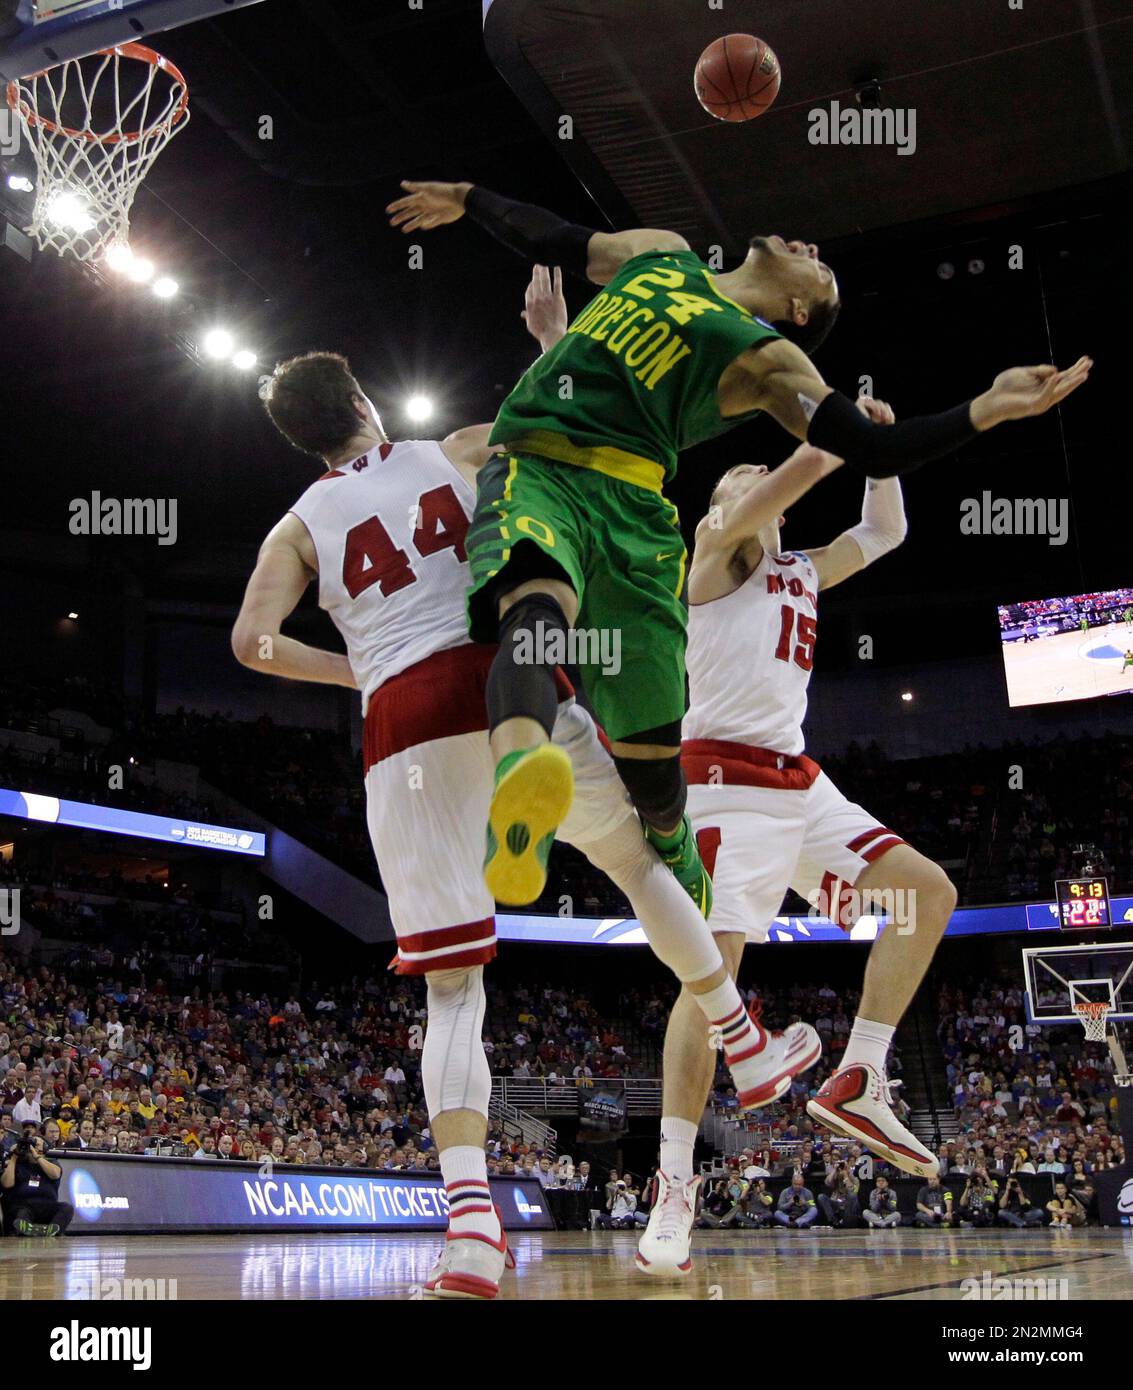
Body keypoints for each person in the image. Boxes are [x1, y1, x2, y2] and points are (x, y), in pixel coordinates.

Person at [235, 277, 790, 1298]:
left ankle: (471, 1235)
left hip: (398, 724)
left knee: (453, 986)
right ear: (361, 398)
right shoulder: (450, 446)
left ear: (301, 441)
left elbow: (251, 641)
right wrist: (553, 336)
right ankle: (737, 1031)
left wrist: (351, 667)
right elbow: (566, 420)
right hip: (497, 677)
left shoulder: (296, 527)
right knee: (629, 858)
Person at [386, 176, 1090, 926]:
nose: (813, 249)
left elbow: (872, 449)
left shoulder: (767, 363)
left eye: (822, 271)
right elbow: (558, 236)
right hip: (538, 465)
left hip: (633, 509)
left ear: (797, 311)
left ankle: (670, 837)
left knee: (653, 772)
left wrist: (986, 406)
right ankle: (522, 774)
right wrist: (470, 198)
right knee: (534, 603)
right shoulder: (662, 256)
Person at [636, 406, 961, 1273]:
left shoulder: (802, 569)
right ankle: (672, 1183)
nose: (747, 485)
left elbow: (883, 530)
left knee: (924, 894)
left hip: (797, 785)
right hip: (722, 789)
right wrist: (836, 437)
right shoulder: (713, 552)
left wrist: (880, 454)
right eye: (733, 479)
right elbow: (746, 505)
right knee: (713, 986)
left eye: (756, 478)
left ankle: (857, 1075)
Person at [1, 1126, 72, 1236]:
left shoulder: (51, 1162)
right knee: (20, 1213)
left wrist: (37, 1157)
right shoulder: (19, 1164)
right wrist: (14, 1156)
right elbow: (7, 1183)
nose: (33, 1147)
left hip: (47, 1206)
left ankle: (52, 1230)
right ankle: (27, 1229)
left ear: (44, 1148)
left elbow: (55, 1174)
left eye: (37, 1144)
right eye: (32, 1145)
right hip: (25, 1206)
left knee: (66, 1208)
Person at [818, 1160, 861, 1229]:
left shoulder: (855, 1179)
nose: (841, 1168)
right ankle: (833, 1221)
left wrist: (846, 1174)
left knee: (852, 1195)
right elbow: (827, 1183)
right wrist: (834, 1170)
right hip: (836, 1202)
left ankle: (846, 1222)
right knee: (821, 1197)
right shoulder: (835, 1176)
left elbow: (852, 1190)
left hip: (848, 1206)